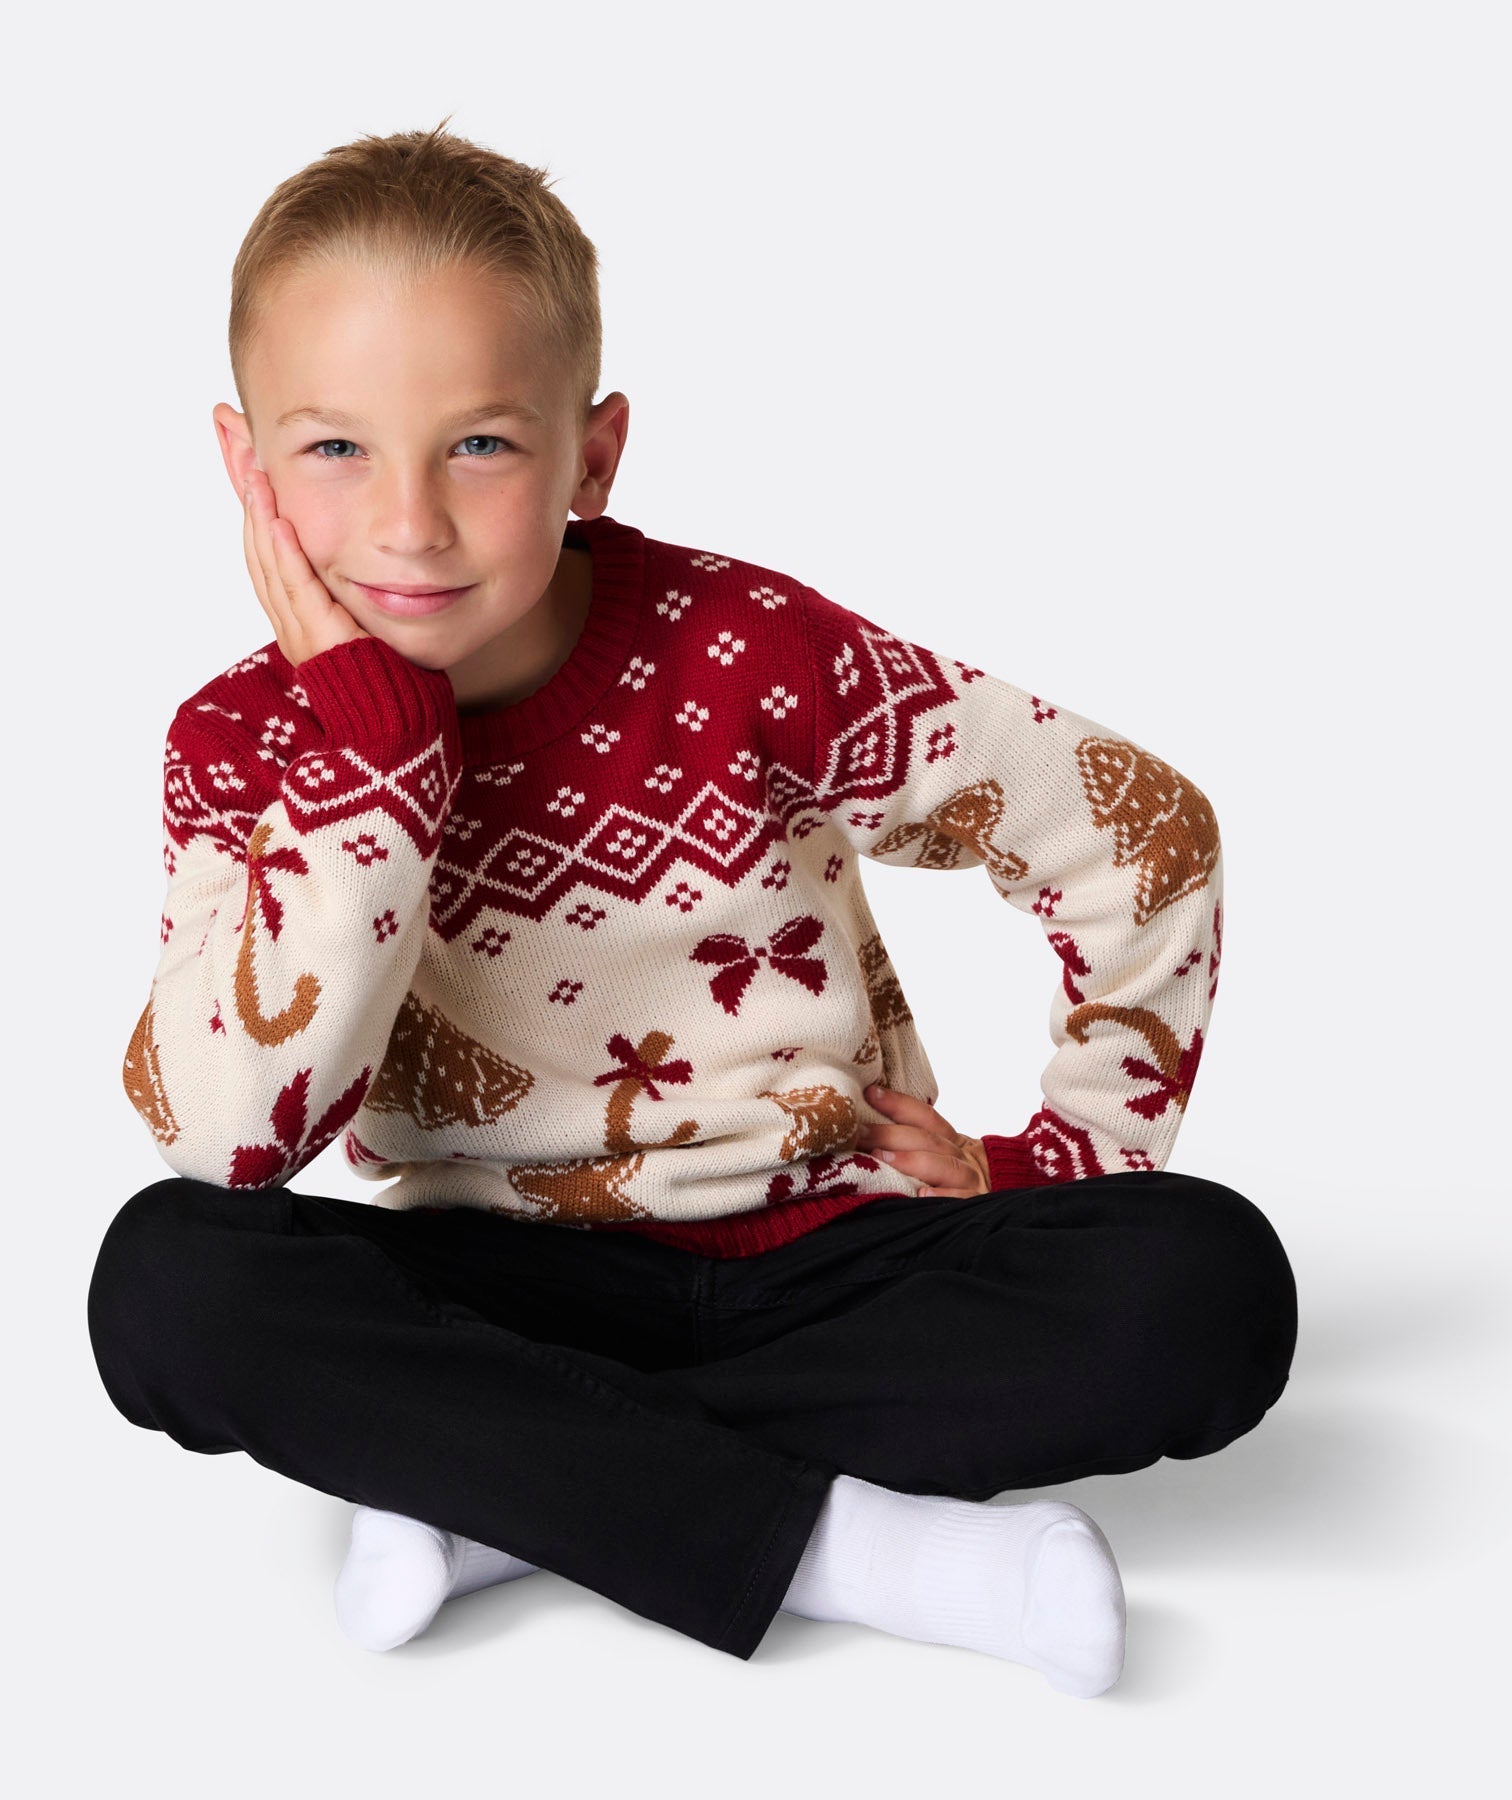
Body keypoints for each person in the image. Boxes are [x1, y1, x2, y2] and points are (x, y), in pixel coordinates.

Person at [87, 118, 1297, 1699]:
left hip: (832, 1253)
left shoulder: (752, 652)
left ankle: (504, 1491)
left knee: (1208, 1288)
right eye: (334, 451)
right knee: (167, 1280)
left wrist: (1056, 1160)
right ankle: (852, 1549)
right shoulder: (241, 745)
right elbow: (225, 1138)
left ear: (592, 455)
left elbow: (1138, 830)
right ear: (246, 467)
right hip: (500, 1281)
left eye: (480, 445)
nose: (409, 522)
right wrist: (376, 761)